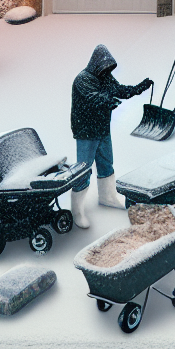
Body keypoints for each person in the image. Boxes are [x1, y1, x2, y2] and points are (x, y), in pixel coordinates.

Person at [69, 45, 151, 229]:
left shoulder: (105, 77)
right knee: (83, 170)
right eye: (104, 67)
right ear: (96, 63)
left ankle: (107, 197)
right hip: (86, 132)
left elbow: (119, 90)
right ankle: (77, 211)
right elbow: (92, 97)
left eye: (109, 68)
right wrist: (107, 101)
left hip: (102, 129)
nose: (107, 71)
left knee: (106, 163)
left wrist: (138, 88)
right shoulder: (83, 79)